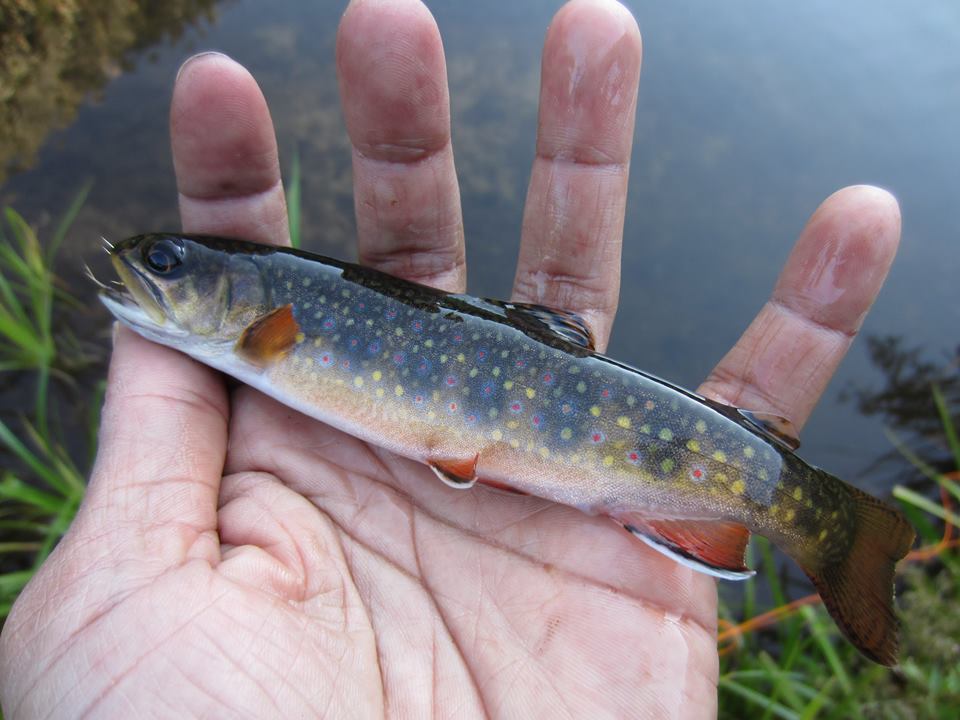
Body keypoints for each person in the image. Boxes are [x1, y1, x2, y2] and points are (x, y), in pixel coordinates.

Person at [0, 0, 901, 717]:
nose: (146, 270)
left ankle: (836, 526)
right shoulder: (257, 330)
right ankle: (831, 521)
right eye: (163, 263)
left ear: (245, 304)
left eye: (166, 266)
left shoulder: (267, 330)